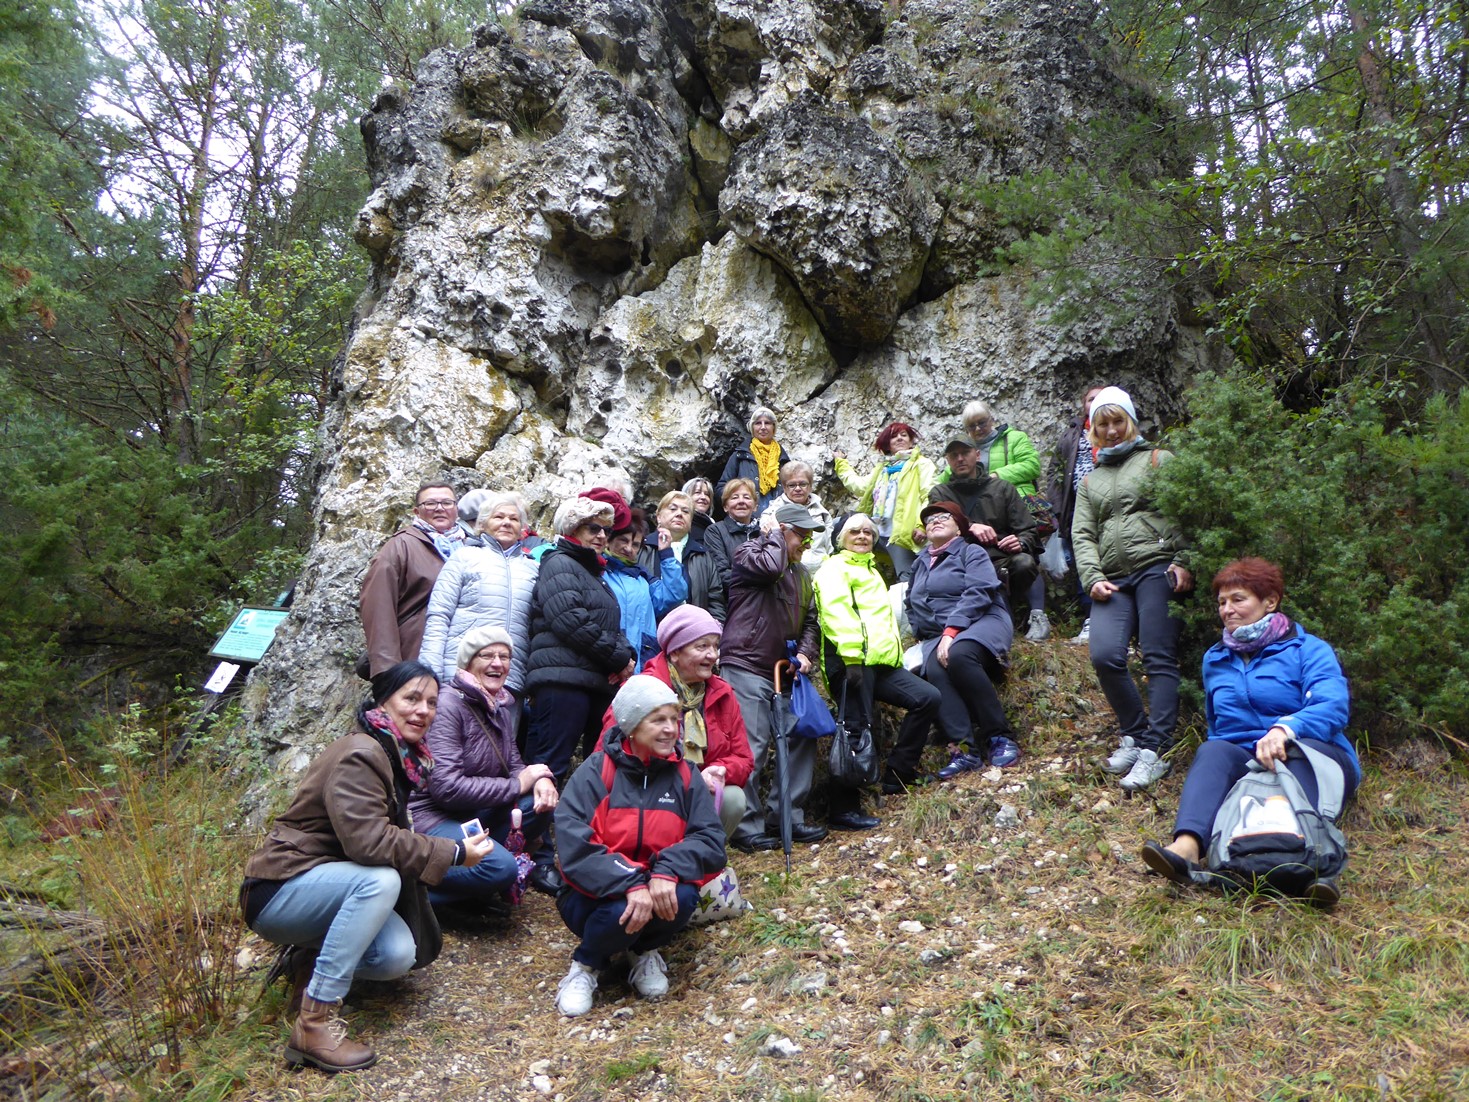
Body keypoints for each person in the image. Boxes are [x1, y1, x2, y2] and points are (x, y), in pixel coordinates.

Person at [240, 661, 494, 1072]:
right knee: (379, 881)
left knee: (396, 955)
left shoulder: (397, 755)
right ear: (383, 702)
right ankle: (314, 1023)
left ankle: (309, 959)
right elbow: (369, 843)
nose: (423, 710)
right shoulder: (362, 753)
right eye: (411, 698)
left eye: (432, 702)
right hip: (280, 887)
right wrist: (453, 852)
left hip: (324, 885)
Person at [1140, 558, 1359, 907]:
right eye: (1222, 602)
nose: (1227, 610)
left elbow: (1333, 706)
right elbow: (1218, 726)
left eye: (1238, 599)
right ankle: (1187, 848)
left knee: (1293, 754)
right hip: (1247, 757)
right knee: (1212, 751)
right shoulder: (1215, 659)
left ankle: (1314, 862)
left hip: (1314, 752)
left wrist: (1285, 728)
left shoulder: (1308, 649)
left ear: (1270, 601)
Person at [553, 675, 726, 1017]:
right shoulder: (597, 772)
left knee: (683, 895)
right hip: (593, 896)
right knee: (620, 909)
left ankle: (643, 950)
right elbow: (575, 846)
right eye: (657, 720)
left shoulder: (686, 775)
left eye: (674, 719)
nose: (670, 729)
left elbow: (710, 841)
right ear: (632, 726)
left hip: (655, 885)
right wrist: (631, 882)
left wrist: (667, 869)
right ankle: (586, 964)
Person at [1071, 386, 1194, 793]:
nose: (1110, 430)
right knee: (1105, 655)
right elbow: (1082, 534)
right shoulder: (1090, 481)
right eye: (1102, 424)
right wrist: (1092, 577)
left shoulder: (1159, 460)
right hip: (1113, 578)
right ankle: (1136, 735)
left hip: (1158, 566)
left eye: (1117, 421)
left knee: (1158, 656)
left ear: (1131, 422)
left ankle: (1158, 748)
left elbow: (1183, 510)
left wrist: (1184, 559)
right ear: (1093, 430)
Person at [409, 628, 560, 914]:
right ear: (468, 662)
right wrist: (518, 785)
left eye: (504, 656)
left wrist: (540, 778)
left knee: (539, 804)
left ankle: (471, 887)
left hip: (472, 813)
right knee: (500, 868)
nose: (497, 663)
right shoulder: (448, 705)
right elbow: (446, 788)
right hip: (433, 816)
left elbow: (513, 765)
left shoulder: (498, 707)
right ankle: (416, 896)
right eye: (487, 655)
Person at [814, 514, 943, 819]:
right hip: (851, 662)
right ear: (841, 538)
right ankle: (843, 810)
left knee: (927, 698)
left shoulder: (871, 570)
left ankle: (898, 773)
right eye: (854, 532)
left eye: (868, 532)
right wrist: (852, 659)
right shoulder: (834, 568)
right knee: (854, 728)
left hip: (881, 663)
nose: (862, 536)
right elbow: (837, 614)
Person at [722, 503, 828, 851]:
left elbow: (811, 620)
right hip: (746, 663)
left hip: (785, 669)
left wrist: (806, 653)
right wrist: (773, 535)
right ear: (782, 530)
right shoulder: (749, 553)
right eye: (801, 535)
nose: (806, 544)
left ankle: (786, 816)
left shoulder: (802, 574)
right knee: (750, 746)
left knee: (802, 735)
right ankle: (745, 826)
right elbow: (770, 568)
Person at [600, 605, 755, 837]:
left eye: (715, 646)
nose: (713, 655)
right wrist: (683, 776)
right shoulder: (640, 691)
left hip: (698, 791)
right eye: (702, 646)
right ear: (675, 653)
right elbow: (606, 753)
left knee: (733, 799)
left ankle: (702, 852)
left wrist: (719, 770)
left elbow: (743, 758)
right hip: (646, 791)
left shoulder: (722, 693)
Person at [523, 495, 635, 786]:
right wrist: (619, 658)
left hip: (590, 682)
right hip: (562, 683)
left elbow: (610, 626)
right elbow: (570, 620)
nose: (602, 536)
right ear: (572, 529)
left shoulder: (591, 571)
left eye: (605, 530)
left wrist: (628, 654)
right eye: (592, 529)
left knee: (597, 770)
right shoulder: (559, 562)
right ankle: (526, 817)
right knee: (548, 768)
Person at [907, 501, 1021, 776]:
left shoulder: (972, 552)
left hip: (982, 619)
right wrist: (923, 634)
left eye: (943, 517)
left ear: (959, 528)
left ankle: (999, 736)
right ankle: (965, 752)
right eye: (929, 519)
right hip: (939, 633)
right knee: (933, 669)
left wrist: (951, 631)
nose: (935, 521)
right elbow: (911, 602)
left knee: (959, 655)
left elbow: (979, 592)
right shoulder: (920, 562)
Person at [418, 492, 540, 714]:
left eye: (513, 519)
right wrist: (430, 671)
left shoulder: (533, 569)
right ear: (483, 524)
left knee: (501, 737)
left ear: (522, 528)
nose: (506, 522)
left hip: (510, 679)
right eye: (499, 517)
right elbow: (439, 615)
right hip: (461, 675)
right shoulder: (464, 558)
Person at [927, 438, 1040, 623]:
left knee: (1024, 563)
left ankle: (1006, 607)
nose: (960, 459)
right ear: (948, 460)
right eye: (954, 455)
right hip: (959, 561)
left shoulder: (1003, 488)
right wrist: (969, 526)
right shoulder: (940, 493)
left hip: (998, 558)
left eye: (965, 453)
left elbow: (1028, 530)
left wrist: (1020, 542)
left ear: (977, 455)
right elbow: (937, 526)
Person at [359, 482, 464, 678]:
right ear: (417, 511)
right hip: (415, 655)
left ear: (456, 509)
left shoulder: (470, 547)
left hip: (461, 659)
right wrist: (388, 670)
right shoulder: (400, 546)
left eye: (447, 503)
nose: (439, 508)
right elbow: (378, 608)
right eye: (430, 503)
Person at [833, 421, 936, 581]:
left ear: (911, 441)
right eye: (894, 436)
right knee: (836, 525)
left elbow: (929, 495)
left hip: (901, 532)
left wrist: (921, 524)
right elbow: (860, 486)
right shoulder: (883, 469)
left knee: (906, 576)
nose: (899, 438)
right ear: (887, 444)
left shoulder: (921, 464)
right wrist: (841, 464)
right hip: (878, 530)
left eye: (904, 435)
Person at [1047, 385, 1107, 645]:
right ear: (1084, 404)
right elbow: (1055, 470)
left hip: (1109, 507)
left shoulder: (1116, 431)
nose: (1095, 402)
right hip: (1076, 510)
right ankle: (1091, 618)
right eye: (1091, 399)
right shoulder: (1071, 434)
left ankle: (1117, 621)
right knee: (1084, 563)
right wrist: (1057, 508)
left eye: (1101, 398)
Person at [606, 507, 687, 671]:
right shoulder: (599, 572)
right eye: (623, 540)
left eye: (635, 544)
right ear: (609, 539)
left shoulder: (642, 578)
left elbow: (675, 593)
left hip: (642, 664)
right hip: (610, 662)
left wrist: (666, 554)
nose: (629, 548)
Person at [637, 489, 726, 622]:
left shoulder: (702, 555)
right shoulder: (641, 548)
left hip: (694, 630)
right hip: (649, 629)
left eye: (686, 511)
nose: (679, 514)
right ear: (658, 516)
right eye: (673, 509)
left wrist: (716, 627)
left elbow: (715, 599)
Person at [759, 460, 836, 568]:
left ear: (810, 486)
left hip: (821, 571)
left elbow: (829, 545)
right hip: (789, 571)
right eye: (792, 485)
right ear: (784, 488)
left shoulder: (821, 512)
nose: (798, 489)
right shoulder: (772, 514)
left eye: (803, 484)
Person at [716, 406, 791, 513]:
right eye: (758, 423)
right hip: (747, 517)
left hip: (777, 518)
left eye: (767, 423)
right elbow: (721, 488)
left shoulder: (783, 459)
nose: (763, 427)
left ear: (774, 428)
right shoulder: (740, 456)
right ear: (752, 428)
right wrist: (738, 501)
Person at [705, 477, 760, 598]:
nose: (741, 501)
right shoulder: (715, 531)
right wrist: (759, 583)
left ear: (755, 506)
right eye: (734, 497)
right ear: (725, 507)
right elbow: (721, 573)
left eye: (747, 497)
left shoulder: (764, 533)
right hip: (732, 601)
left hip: (764, 603)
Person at [682, 477, 717, 544]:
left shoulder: (712, 526)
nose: (703, 497)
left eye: (707, 494)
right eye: (697, 492)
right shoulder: (681, 523)